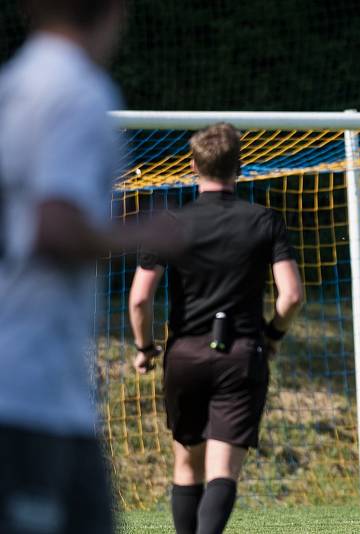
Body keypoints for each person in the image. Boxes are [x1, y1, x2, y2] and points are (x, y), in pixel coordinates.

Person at [0, 1, 149, 532]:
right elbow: (56, 226)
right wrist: (151, 233)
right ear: (115, 11)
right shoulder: (78, 93)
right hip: (30, 395)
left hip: (47, 396)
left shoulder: (13, 87)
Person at [129, 122, 304, 534]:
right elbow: (292, 295)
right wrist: (273, 335)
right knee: (223, 469)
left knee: (186, 465)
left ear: (193, 166)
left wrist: (145, 348)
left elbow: (139, 298)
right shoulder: (264, 221)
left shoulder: (168, 223)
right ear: (239, 167)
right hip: (242, 354)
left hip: (185, 355)